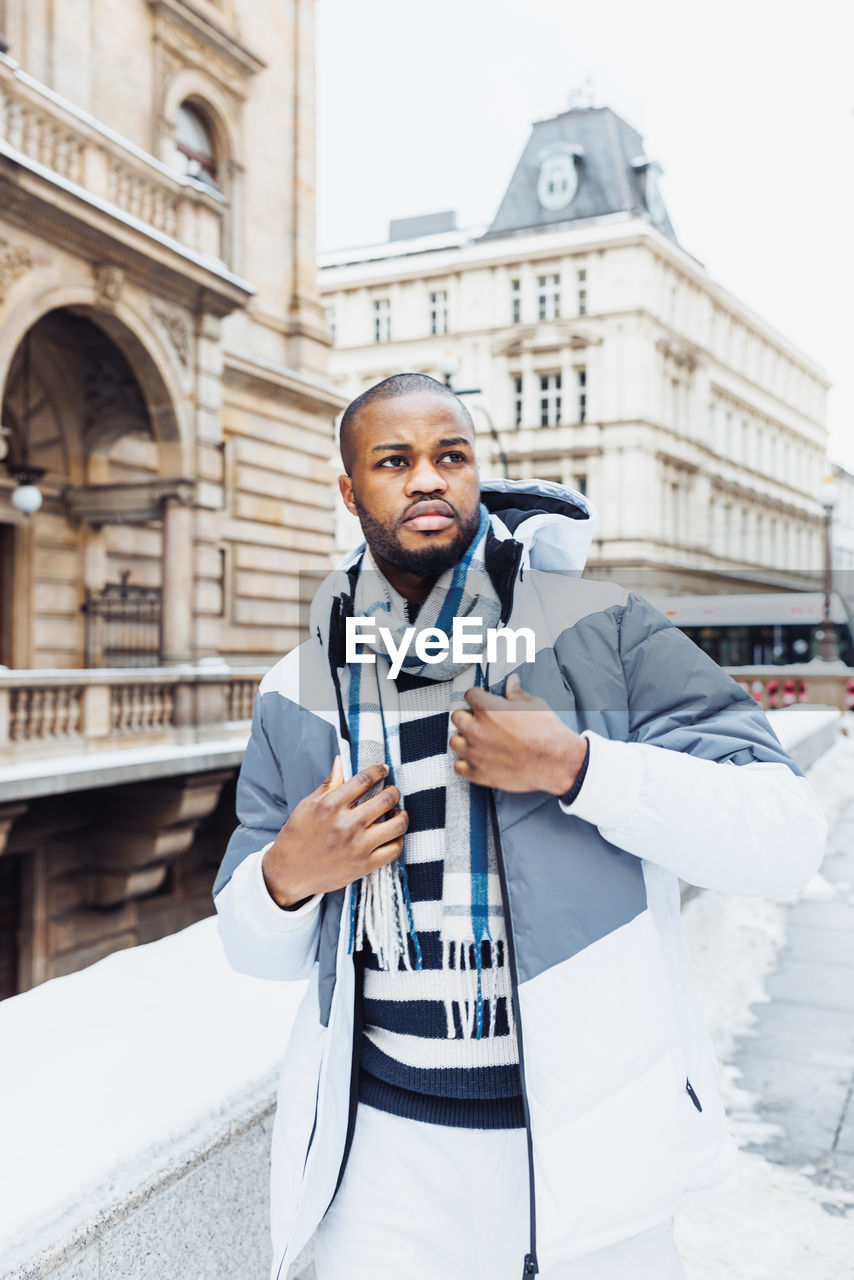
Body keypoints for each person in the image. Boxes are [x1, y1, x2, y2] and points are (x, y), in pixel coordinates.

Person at [213, 373, 827, 1280]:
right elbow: (252, 947)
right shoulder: (297, 687)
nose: (428, 478)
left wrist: (575, 768)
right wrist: (289, 876)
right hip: (380, 1178)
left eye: (450, 455)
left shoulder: (604, 632)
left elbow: (786, 839)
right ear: (350, 493)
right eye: (395, 461)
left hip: (596, 1177)